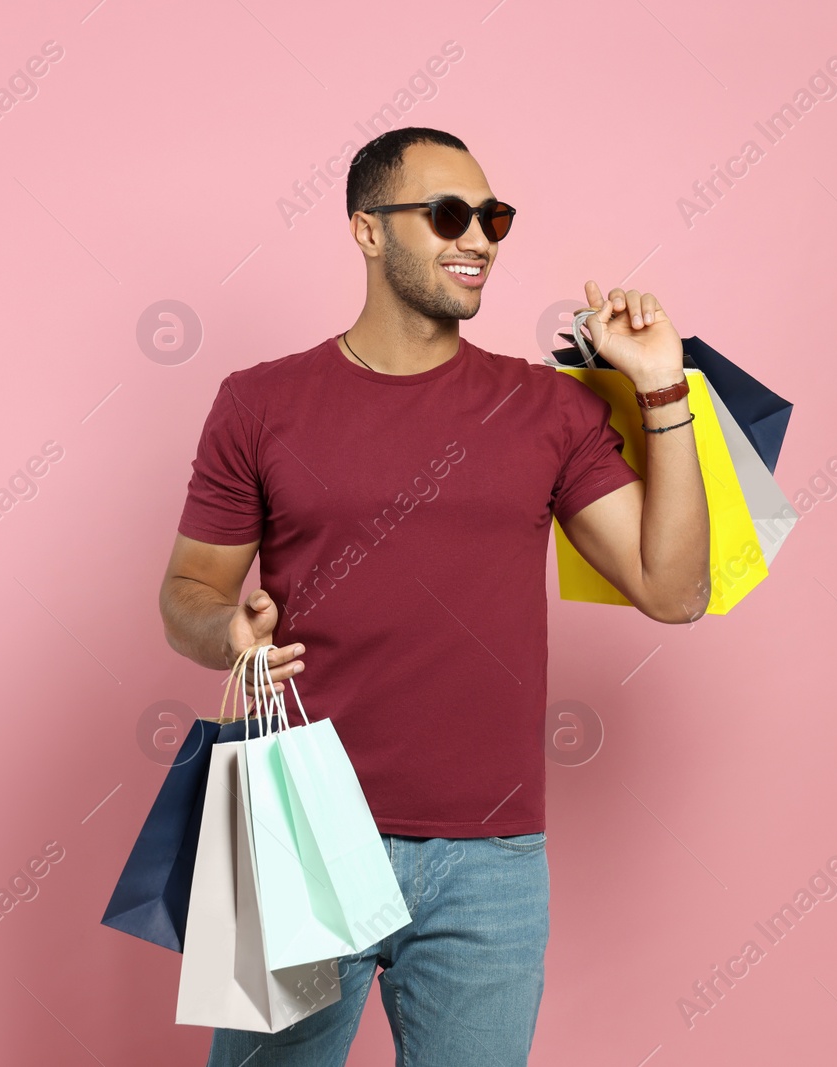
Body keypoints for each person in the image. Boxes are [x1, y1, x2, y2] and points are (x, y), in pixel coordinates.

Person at [161, 126, 709, 1066]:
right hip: (301, 833)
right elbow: (189, 589)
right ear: (367, 232)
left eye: (493, 218)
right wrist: (228, 632)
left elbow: (676, 590)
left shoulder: (549, 408)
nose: (481, 240)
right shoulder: (259, 403)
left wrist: (661, 388)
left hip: (490, 862)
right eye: (450, 215)